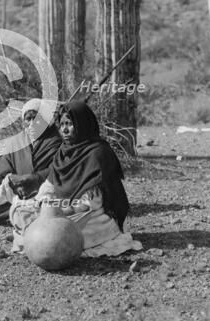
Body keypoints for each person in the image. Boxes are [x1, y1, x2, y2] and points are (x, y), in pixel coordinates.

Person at [9, 101, 142, 256]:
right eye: (62, 124)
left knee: (65, 231)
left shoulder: (98, 153)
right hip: (64, 208)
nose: (64, 129)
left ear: (82, 125)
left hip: (93, 216)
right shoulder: (63, 151)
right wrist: (41, 203)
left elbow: (91, 203)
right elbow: (49, 186)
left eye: (70, 124)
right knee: (20, 211)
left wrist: (59, 211)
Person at [0, 99, 62, 224]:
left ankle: (22, 214)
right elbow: (2, 171)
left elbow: (59, 170)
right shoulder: (16, 142)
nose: (32, 123)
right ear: (23, 122)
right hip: (18, 192)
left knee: (49, 205)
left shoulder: (56, 141)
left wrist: (33, 179)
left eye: (36, 118)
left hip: (43, 190)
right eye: (28, 119)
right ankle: (24, 214)